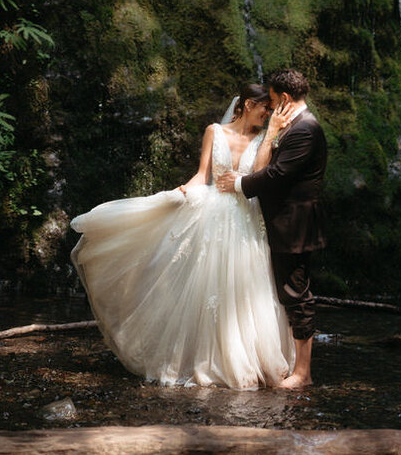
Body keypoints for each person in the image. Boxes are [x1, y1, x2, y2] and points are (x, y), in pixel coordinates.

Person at [69, 83, 298, 389]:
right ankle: (208, 360)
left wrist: (270, 134)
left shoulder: (264, 137)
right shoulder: (214, 131)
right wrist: (180, 193)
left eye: (270, 109)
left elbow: (259, 174)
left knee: (247, 287)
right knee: (209, 288)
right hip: (213, 215)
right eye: (264, 108)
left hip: (247, 216)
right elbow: (203, 176)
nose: (267, 113)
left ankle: (252, 360)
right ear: (246, 104)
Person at [216, 68, 327, 389]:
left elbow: (277, 174)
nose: (270, 107)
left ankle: (303, 374)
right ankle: (290, 365)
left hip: (294, 225)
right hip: (282, 223)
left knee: (297, 294)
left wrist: (238, 184)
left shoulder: (305, 129)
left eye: (274, 100)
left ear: (286, 99)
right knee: (287, 293)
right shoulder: (293, 126)